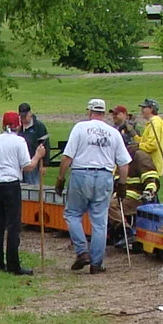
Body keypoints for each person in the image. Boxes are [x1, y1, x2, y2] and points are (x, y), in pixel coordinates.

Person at [55, 99, 132, 273]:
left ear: (89, 112)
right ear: (104, 114)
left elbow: (67, 156)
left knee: (72, 213)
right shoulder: (113, 133)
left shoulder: (80, 128)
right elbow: (124, 163)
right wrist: (122, 185)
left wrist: (60, 178)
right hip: (104, 175)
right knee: (99, 220)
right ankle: (97, 263)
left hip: (82, 174)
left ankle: (82, 251)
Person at [0, 111, 42, 274]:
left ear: (3, 125)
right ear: (18, 124)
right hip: (10, 184)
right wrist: (37, 156)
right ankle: (13, 265)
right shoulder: (19, 141)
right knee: (13, 225)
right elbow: (27, 166)